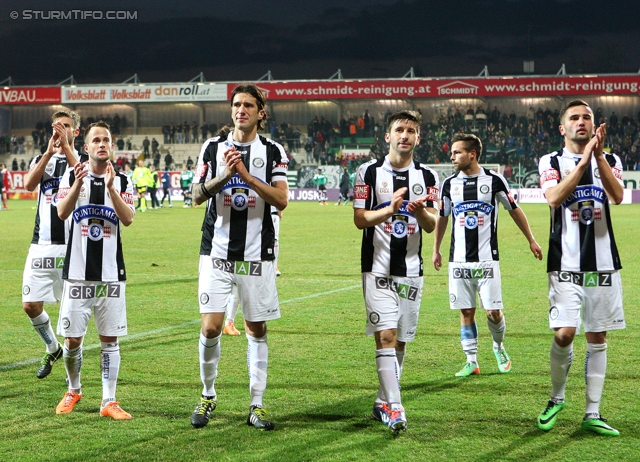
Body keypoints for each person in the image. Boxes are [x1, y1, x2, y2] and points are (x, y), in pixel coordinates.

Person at [190, 84, 288, 431]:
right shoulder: (214, 147)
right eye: (236, 104)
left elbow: (282, 200)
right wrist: (225, 177)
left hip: (258, 254)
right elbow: (195, 195)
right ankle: (208, 395)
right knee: (211, 325)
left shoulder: (273, 151)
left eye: (248, 105)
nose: (240, 110)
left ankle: (256, 404)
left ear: (261, 112)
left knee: (256, 328)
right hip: (216, 251)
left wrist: (246, 177)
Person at [536, 101, 625, 436]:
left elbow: (616, 196)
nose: (581, 122)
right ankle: (556, 397)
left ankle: (592, 412)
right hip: (565, 263)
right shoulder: (551, 161)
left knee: (597, 336)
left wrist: (597, 156)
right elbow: (554, 197)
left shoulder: (611, 160)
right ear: (563, 128)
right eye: (574, 118)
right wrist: (583, 160)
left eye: (587, 116)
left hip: (603, 262)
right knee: (565, 333)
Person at [353, 110, 439, 434]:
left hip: (412, 271)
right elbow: (360, 219)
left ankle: (381, 402)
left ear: (419, 138)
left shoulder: (428, 177)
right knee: (385, 336)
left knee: (400, 341)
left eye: (411, 130)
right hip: (377, 268)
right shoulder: (368, 172)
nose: (405, 135)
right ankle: (396, 408)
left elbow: (431, 226)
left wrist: (420, 213)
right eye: (399, 129)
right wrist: (389, 208)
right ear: (387, 136)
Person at [432, 133, 542, 378]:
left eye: (457, 152)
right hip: (458, 259)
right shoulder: (449, 184)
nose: (452, 156)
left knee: (492, 312)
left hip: (487, 259)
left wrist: (531, 240)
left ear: (472, 154)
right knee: (466, 311)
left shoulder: (494, 180)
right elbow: (443, 216)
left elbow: (514, 210)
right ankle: (471, 360)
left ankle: (499, 347)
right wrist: (436, 248)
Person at [55, 121, 135, 420]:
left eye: (107, 140)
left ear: (112, 147)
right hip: (77, 274)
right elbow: (62, 212)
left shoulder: (124, 181)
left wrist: (112, 189)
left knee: (109, 340)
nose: (102, 144)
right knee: (73, 340)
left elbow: (127, 219)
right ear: (86, 147)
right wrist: (77, 183)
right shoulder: (71, 175)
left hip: (111, 275)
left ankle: (109, 401)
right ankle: (73, 390)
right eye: (96, 140)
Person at [21, 110, 84, 379]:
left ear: (76, 131)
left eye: (66, 126)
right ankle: (51, 347)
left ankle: (73, 383)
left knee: (72, 318)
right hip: (42, 244)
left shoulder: (84, 160)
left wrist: (67, 148)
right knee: (30, 305)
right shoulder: (42, 159)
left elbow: (81, 177)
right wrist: (47, 154)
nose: (59, 131)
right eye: (56, 126)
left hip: (72, 247)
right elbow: (27, 185)